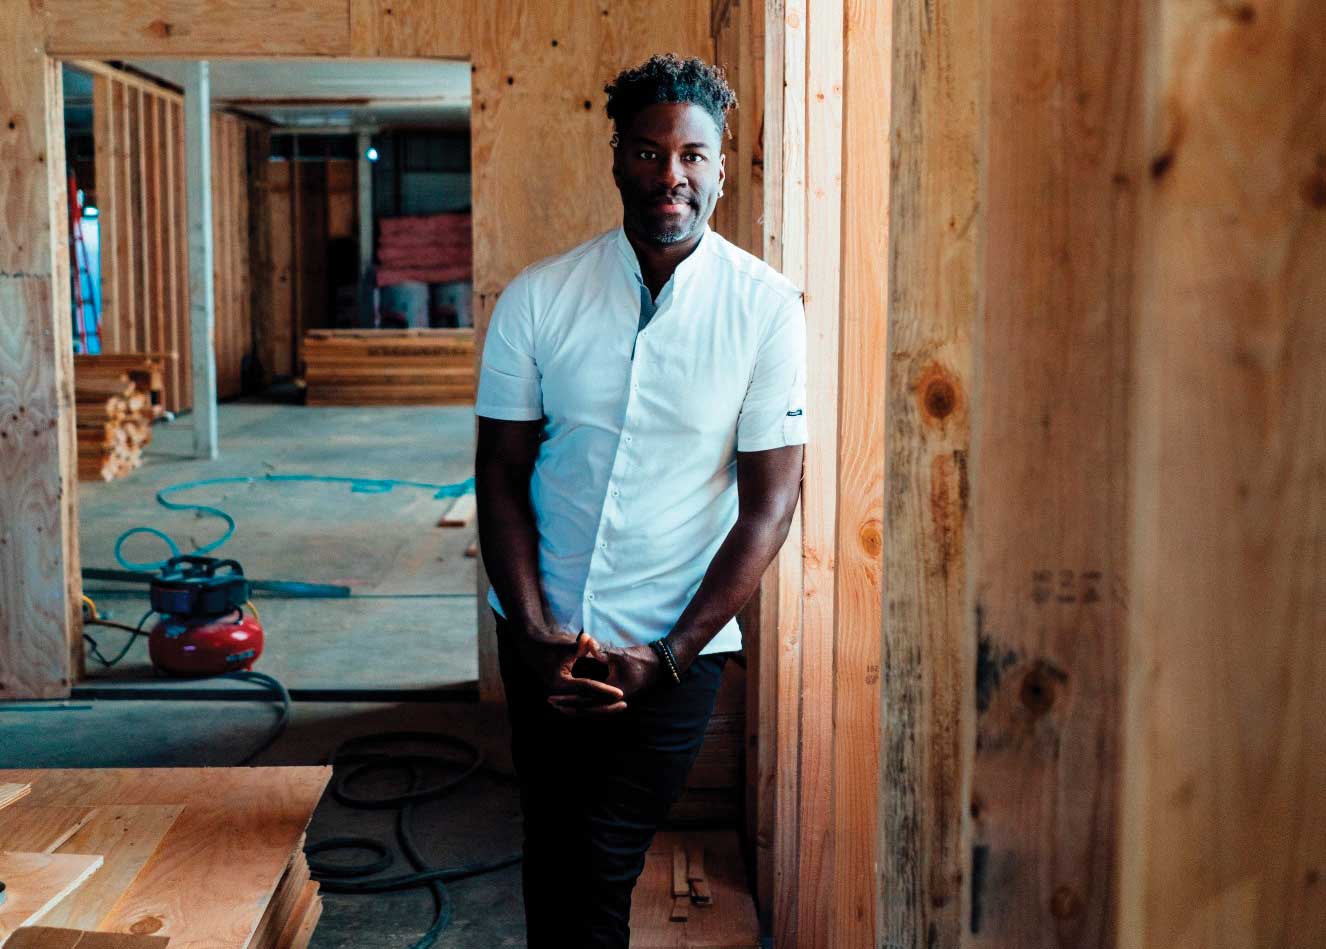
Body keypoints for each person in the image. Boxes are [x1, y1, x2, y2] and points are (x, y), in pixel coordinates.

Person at [474, 52, 807, 948]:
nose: (673, 176)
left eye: (693, 156)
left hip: (673, 650)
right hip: (542, 636)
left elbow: (770, 506)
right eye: (652, 153)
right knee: (553, 848)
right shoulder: (540, 298)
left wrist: (666, 654)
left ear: (721, 168)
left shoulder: (767, 308)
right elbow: (500, 471)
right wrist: (539, 636)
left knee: (600, 861)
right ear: (617, 157)